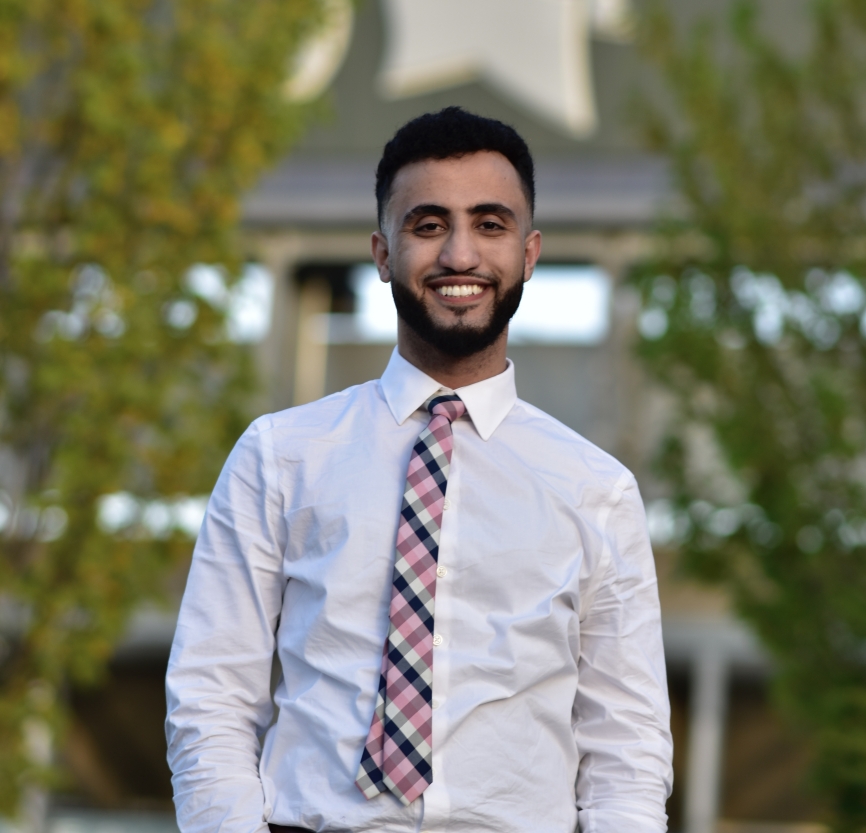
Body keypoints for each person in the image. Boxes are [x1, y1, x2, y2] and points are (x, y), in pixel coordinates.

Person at [165, 106, 673, 833]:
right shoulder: (279, 456)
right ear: (382, 251)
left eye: (490, 225)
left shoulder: (597, 490)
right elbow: (210, 696)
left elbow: (626, 749)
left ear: (529, 254)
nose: (460, 254)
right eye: (428, 224)